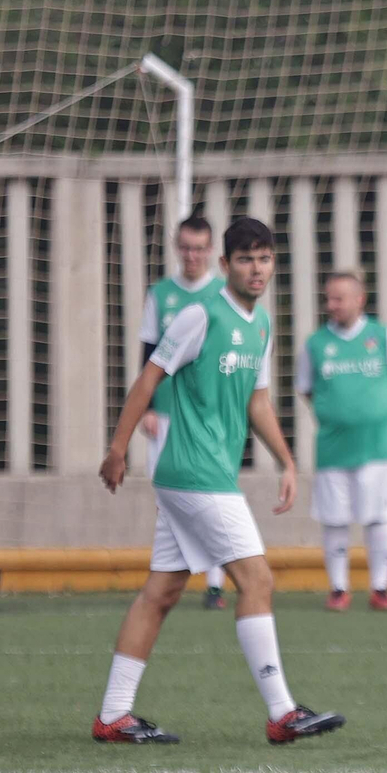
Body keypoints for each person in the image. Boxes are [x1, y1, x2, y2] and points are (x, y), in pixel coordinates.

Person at [94, 217, 343, 745]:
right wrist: (119, 448)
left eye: (266, 258)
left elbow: (257, 399)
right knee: (257, 581)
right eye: (247, 258)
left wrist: (287, 460)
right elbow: (149, 376)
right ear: (225, 265)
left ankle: (113, 715)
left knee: (160, 593)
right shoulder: (199, 314)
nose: (258, 268)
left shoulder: (262, 325)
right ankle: (281, 712)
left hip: (200, 475)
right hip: (194, 473)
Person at [296, 269, 387, 613]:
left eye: (339, 298)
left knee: (379, 516)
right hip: (332, 447)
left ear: (359, 300)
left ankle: (380, 587)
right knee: (334, 518)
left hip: (378, 446)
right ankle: (338, 588)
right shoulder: (315, 344)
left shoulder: (382, 336)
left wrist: (374, 408)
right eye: (329, 298)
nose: (332, 305)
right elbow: (306, 388)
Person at [139, 210, 231, 610]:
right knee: (169, 498)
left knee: (214, 496)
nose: (192, 256)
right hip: (166, 415)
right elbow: (148, 353)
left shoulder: (224, 295)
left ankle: (215, 584)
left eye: (199, 249)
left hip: (210, 416)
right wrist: (145, 408)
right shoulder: (160, 295)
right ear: (178, 249)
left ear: (211, 251)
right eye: (186, 249)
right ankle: (168, 579)